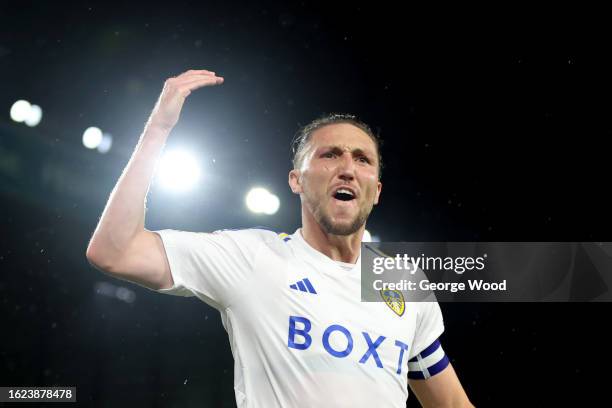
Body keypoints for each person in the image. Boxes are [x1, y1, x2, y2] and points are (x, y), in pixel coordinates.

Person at [86, 69, 474, 407]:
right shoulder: (252, 258)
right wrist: (158, 129)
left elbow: (453, 403)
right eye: (330, 155)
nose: (347, 169)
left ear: (377, 189)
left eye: (362, 159)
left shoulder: (400, 283)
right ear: (297, 180)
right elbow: (114, 252)